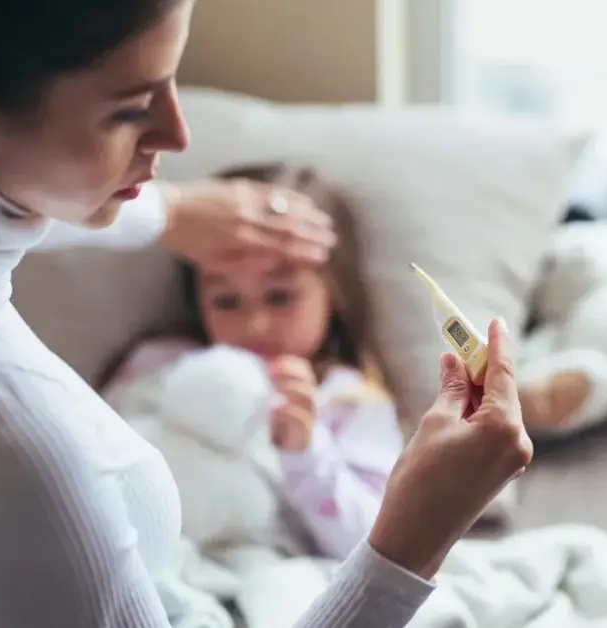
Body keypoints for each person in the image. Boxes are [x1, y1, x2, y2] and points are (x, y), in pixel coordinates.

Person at [0, 1, 533, 627]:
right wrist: (411, 546)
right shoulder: (11, 440)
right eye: (128, 109)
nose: (177, 135)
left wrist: (171, 212)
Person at [102, 163, 404, 561]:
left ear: (334, 291)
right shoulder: (158, 364)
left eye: (280, 296)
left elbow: (375, 546)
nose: (255, 324)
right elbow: (91, 458)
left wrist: (306, 453)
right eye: (226, 301)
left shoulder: (348, 401)